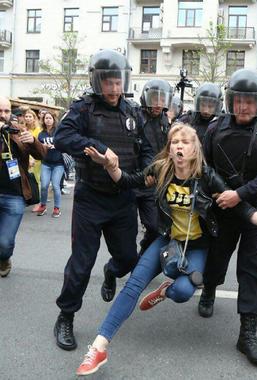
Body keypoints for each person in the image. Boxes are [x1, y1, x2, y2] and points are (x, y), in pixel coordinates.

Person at [74, 123, 257, 376]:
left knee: (183, 292)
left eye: (185, 142)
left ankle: (166, 290)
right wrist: (111, 166)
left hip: (197, 246)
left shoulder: (207, 177)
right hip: (167, 240)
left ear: (194, 148)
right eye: (174, 141)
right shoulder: (160, 170)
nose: (179, 145)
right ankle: (99, 347)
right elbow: (129, 182)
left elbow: (241, 208)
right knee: (133, 284)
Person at [52, 49, 152, 351]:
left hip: (123, 198)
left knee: (128, 260)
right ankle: (66, 316)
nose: (113, 89)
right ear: (97, 82)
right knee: (81, 263)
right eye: (107, 83)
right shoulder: (83, 108)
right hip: (91, 199)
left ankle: (111, 271)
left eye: (117, 82)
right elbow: (61, 138)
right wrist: (96, 146)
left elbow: (145, 148)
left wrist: (147, 171)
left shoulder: (133, 111)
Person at [198, 69, 257, 365]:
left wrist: (241, 194)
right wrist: (218, 193)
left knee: (254, 269)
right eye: (238, 100)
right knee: (216, 258)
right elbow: (204, 165)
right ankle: (209, 289)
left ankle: (247, 332)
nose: (243, 106)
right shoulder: (215, 127)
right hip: (222, 206)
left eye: (250, 101)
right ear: (230, 100)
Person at [0, 96, 46, 277]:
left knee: (4, 243)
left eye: (6, 111)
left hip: (14, 195)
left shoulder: (19, 131)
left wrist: (33, 142)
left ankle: (4, 257)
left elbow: (42, 154)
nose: (3, 115)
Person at [137, 78, 173, 254]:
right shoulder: (135, 117)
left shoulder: (165, 121)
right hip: (134, 179)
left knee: (154, 225)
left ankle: (144, 253)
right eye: (154, 98)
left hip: (154, 181)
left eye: (162, 99)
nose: (158, 104)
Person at [37, 111, 65, 217]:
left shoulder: (59, 132)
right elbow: (38, 147)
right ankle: (43, 206)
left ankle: (57, 208)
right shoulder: (41, 134)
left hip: (58, 163)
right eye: (46, 118)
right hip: (46, 163)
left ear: (54, 120)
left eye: (50, 118)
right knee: (44, 186)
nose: (48, 120)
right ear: (43, 120)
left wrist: (56, 146)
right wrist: (44, 146)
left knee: (55, 186)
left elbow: (64, 143)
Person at [24, 109, 43, 212]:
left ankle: (38, 203)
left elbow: (39, 147)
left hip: (36, 159)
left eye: (30, 116)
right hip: (25, 158)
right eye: (26, 116)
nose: (28, 118)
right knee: (27, 179)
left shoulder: (38, 130)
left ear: (34, 118)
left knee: (36, 180)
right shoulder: (23, 129)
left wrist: (32, 159)